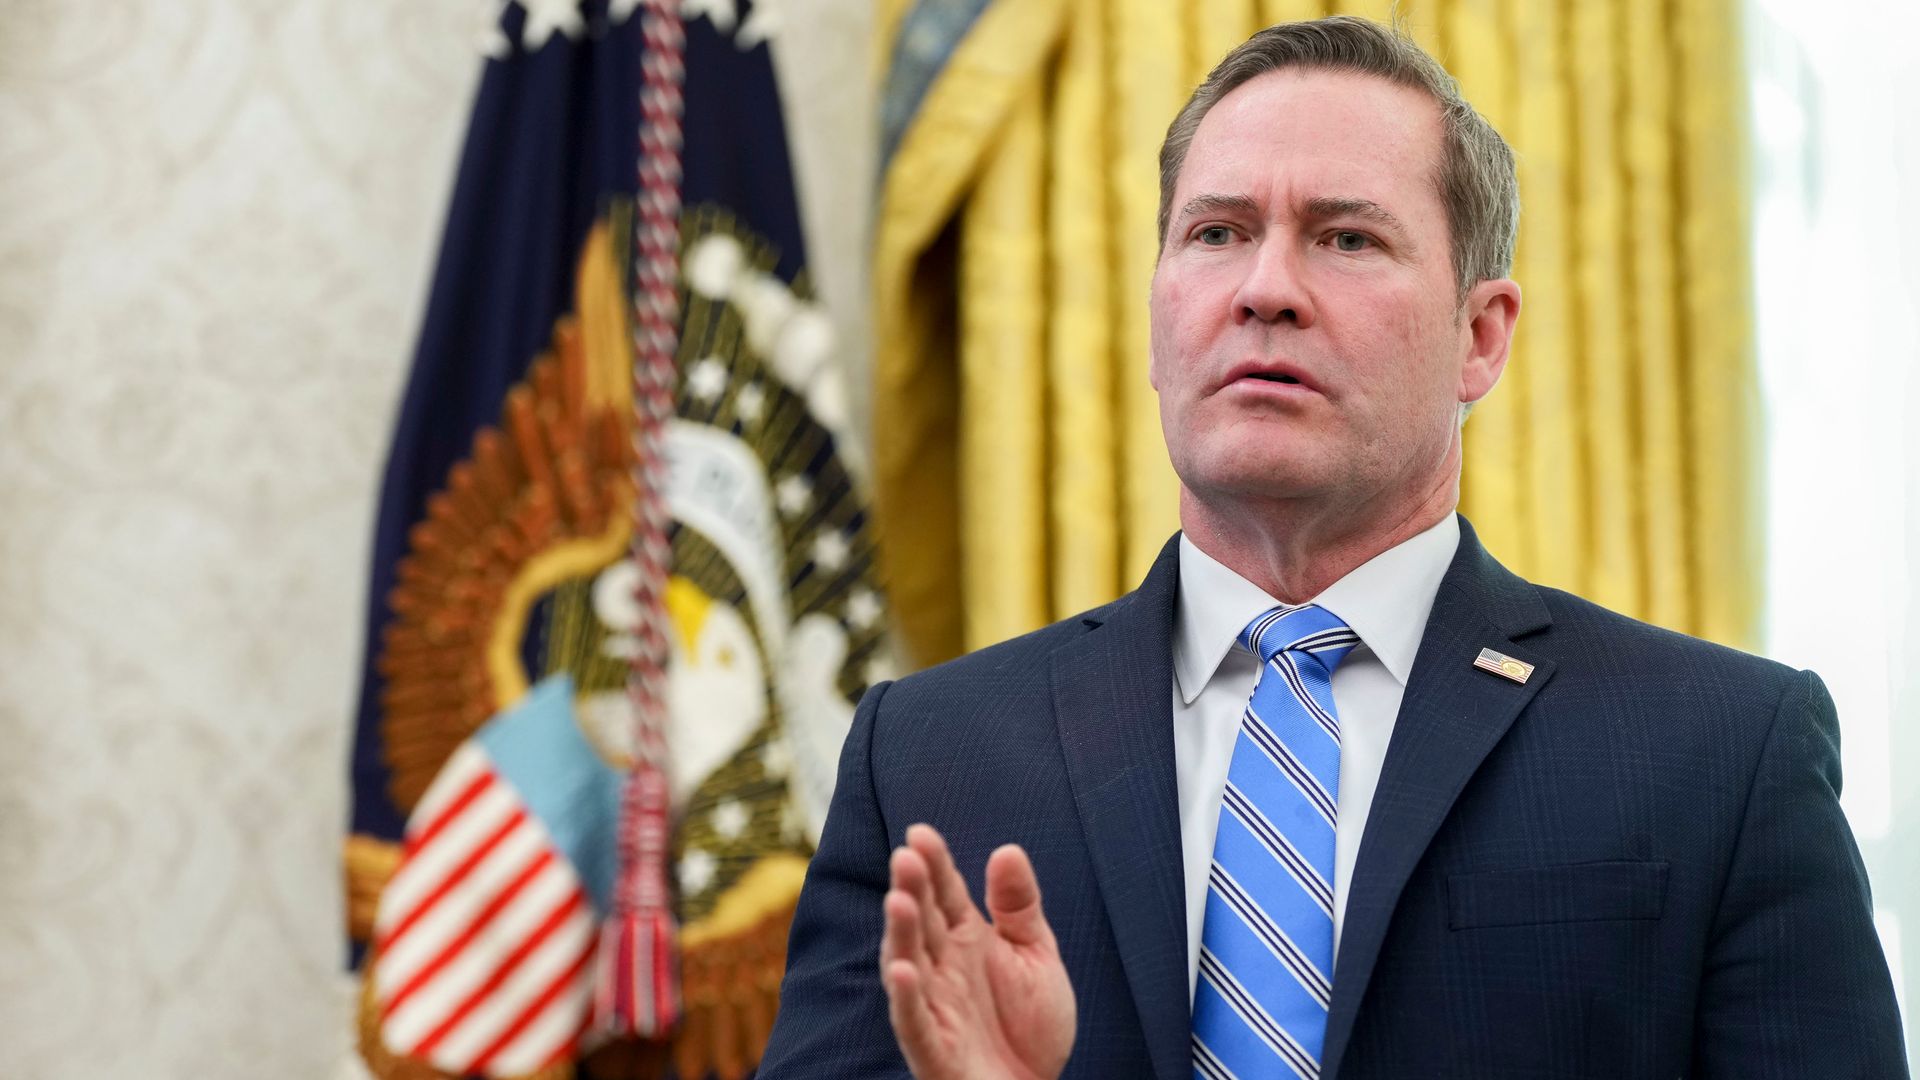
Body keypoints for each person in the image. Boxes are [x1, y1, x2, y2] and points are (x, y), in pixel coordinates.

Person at [757, 16, 1908, 1080]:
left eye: (1345, 237)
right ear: (1158, 312)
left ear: (1480, 336)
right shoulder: (928, 758)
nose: (1265, 290)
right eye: (1217, 233)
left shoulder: (1721, 751)